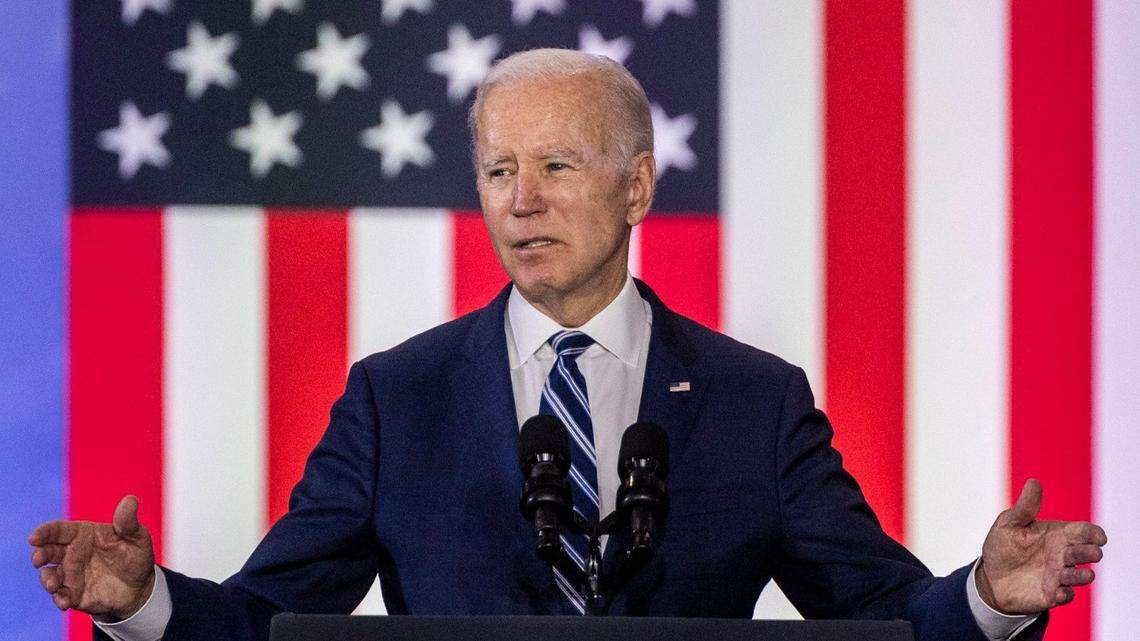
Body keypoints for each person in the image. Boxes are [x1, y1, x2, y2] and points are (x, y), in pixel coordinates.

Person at [30, 49, 1106, 641]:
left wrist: (988, 592)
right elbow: (268, 617)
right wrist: (146, 598)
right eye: (499, 171)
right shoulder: (396, 397)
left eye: (558, 167)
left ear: (636, 185)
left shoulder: (752, 398)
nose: (521, 201)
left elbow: (879, 615)